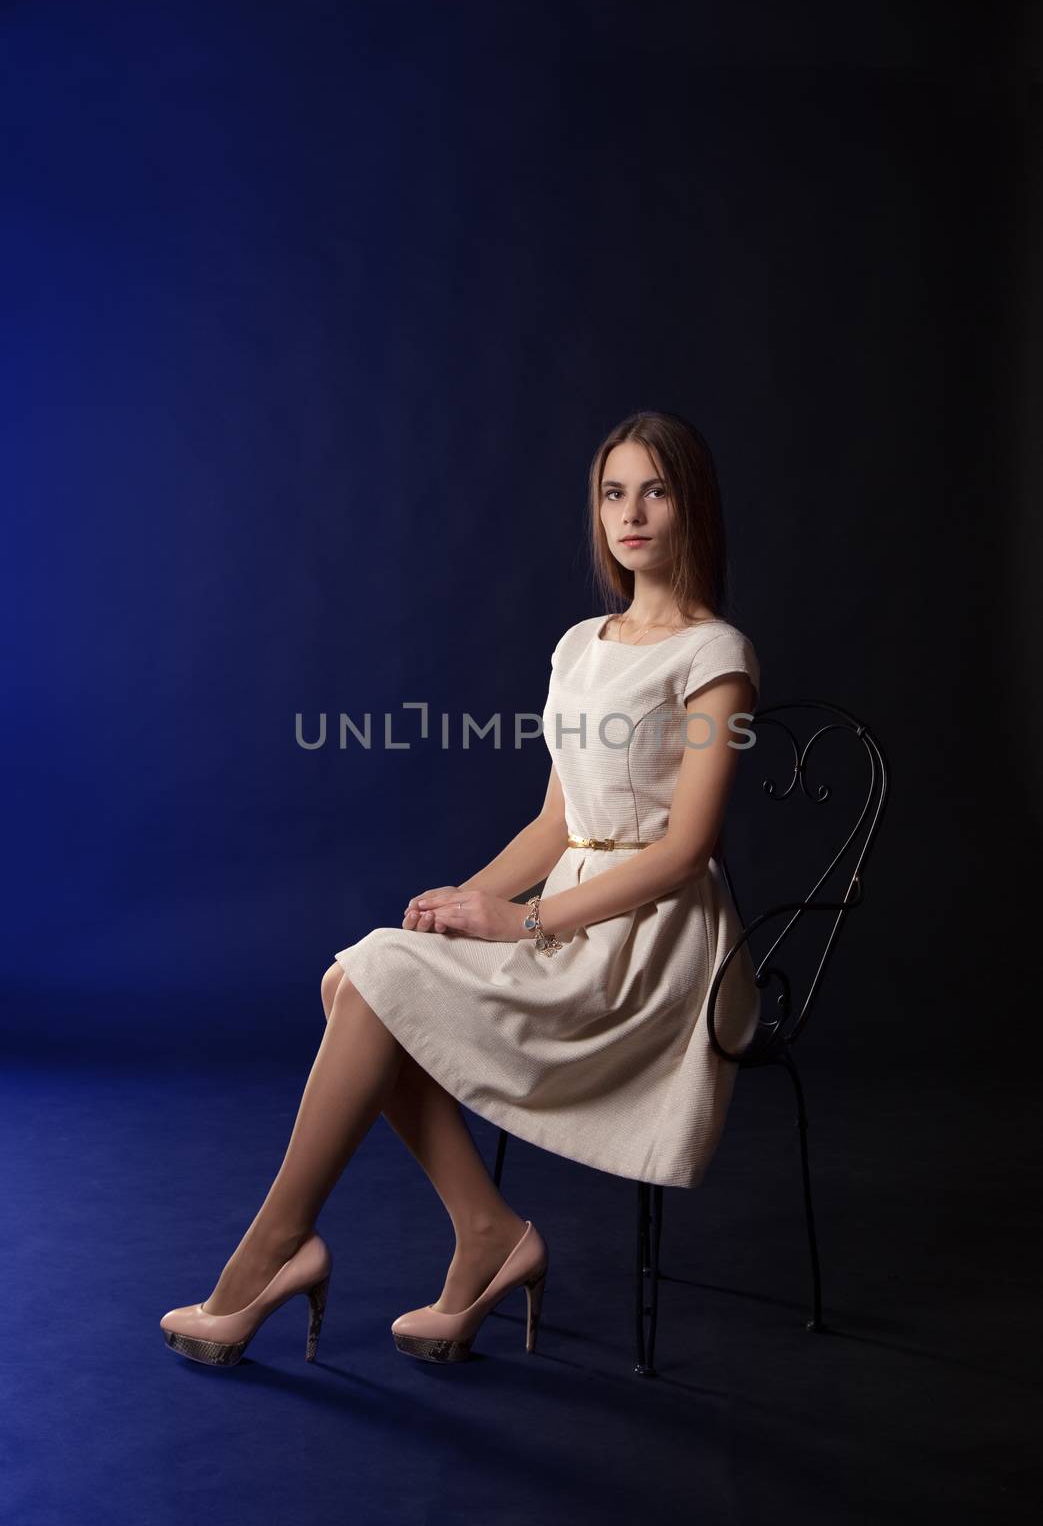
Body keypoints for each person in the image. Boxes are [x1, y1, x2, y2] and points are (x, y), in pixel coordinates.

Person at [159, 408, 763, 1368]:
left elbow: (683, 855)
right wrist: (465, 904)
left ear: (692, 506)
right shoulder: (581, 644)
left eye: (656, 490)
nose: (631, 513)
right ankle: (483, 1231)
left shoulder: (714, 657)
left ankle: (278, 1248)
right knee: (357, 979)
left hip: (650, 946)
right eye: (613, 492)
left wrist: (515, 921)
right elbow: (555, 825)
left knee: (365, 984)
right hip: (565, 906)